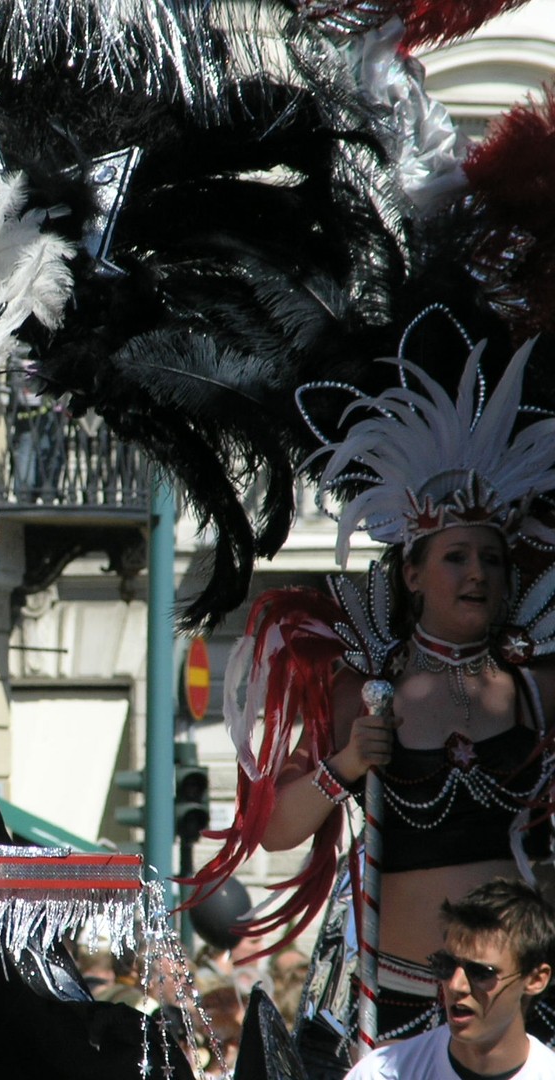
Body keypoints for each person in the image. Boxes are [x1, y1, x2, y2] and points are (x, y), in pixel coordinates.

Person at [194, 336, 555, 1051]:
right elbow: (274, 829)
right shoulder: (361, 689)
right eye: (456, 556)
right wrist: (346, 765)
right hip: (399, 1008)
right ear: (414, 573)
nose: (477, 572)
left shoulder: (533, 689)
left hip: (523, 1011)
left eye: (490, 557)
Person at [343, 879, 555, 1079]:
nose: (455, 985)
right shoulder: (382, 1074)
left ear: (536, 980)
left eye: (481, 973)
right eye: (446, 965)